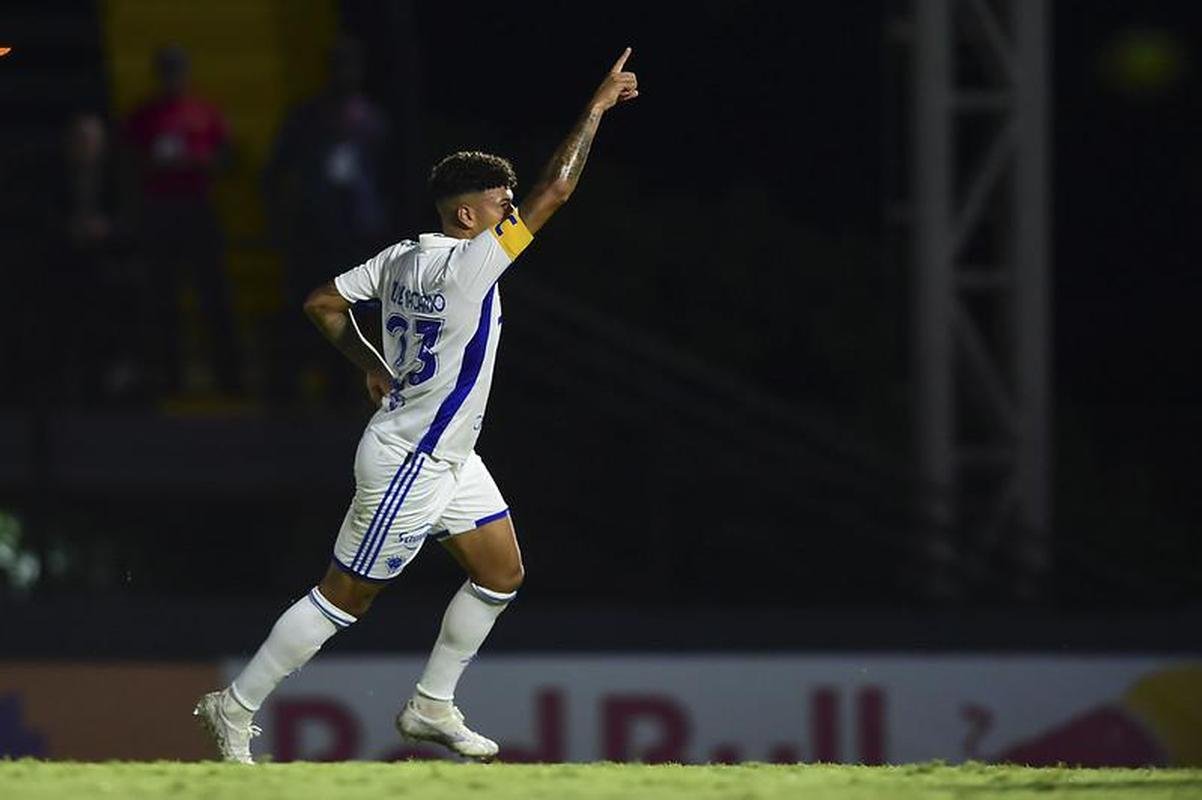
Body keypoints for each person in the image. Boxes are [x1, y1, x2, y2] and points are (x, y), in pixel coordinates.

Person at [194, 48, 638, 763]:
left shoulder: (402, 256)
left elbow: (322, 303)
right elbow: (558, 189)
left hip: (450, 454)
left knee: (501, 574)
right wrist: (594, 109)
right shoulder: (472, 263)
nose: (511, 212)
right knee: (344, 598)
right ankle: (234, 704)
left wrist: (369, 364)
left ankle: (431, 705)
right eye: (500, 204)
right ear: (468, 213)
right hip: (412, 458)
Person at [263, 37, 394, 406]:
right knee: (310, 304)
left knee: (356, 310)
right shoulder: (307, 117)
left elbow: (385, 176)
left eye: (352, 68)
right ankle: (294, 387)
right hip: (313, 230)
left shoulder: (371, 119)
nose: (345, 75)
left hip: (358, 233)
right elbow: (277, 170)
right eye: (339, 67)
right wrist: (284, 220)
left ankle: (346, 387)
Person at [123, 45, 242, 396]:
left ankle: (228, 377)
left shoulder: (204, 113)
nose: (172, 77)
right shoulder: (144, 116)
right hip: (160, 211)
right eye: (166, 71)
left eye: (176, 70)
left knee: (214, 296)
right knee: (164, 300)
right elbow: (129, 162)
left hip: (197, 209)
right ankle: (170, 378)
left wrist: (200, 163)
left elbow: (228, 155)